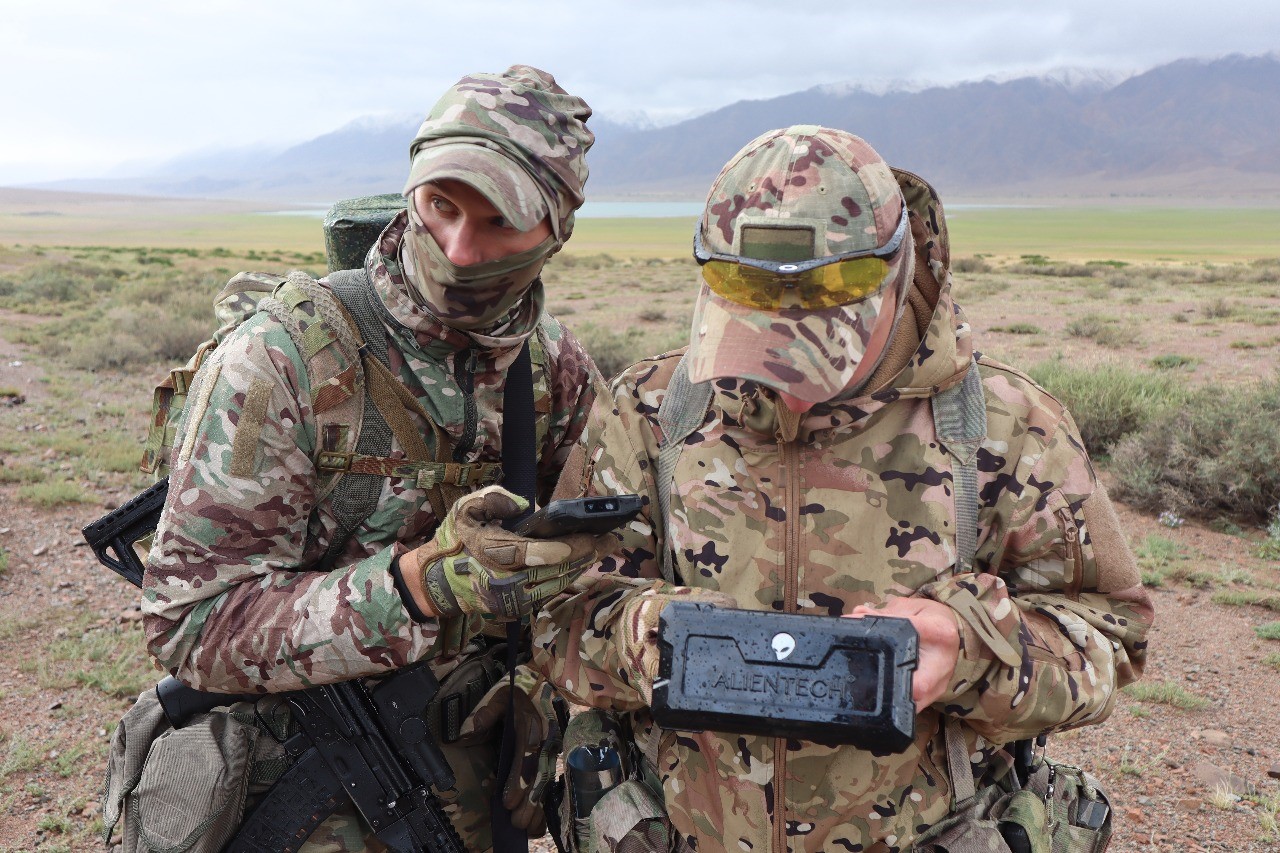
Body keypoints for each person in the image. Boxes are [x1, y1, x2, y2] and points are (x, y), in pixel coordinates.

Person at [532, 126, 1154, 852]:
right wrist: (650, 639)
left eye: (819, 360)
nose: (790, 396)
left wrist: (971, 648)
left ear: (897, 275)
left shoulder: (1008, 430)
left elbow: (1111, 637)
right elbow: (559, 612)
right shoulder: (653, 410)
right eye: (761, 354)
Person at [139, 66, 612, 851]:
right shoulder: (281, 360)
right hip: (295, 782)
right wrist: (416, 588)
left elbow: (595, 575)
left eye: (499, 221)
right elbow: (191, 626)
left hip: (474, 795)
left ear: (555, 231)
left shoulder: (554, 371)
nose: (459, 248)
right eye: (441, 205)